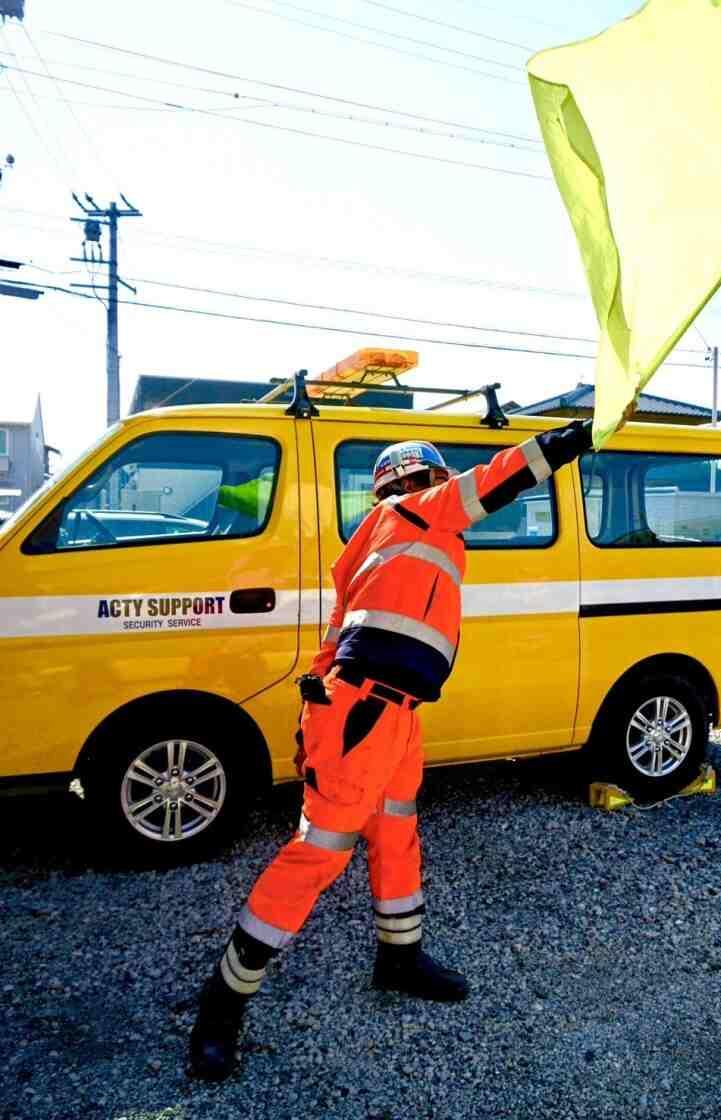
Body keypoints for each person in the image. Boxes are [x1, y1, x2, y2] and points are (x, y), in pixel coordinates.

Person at [189, 419, 594, 1081]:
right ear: (415, 481)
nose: (448, 490)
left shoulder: (370, 544)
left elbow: (333, 636)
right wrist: (571, 440)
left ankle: (398, 959)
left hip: (384, 712)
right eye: (439, 479)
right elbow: (497, 481)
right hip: (364, 713)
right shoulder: (411, 511)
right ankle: (220, 1010)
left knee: (398, 832)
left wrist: (313, 716)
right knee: (318, 853)